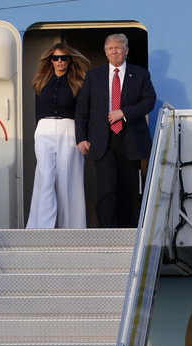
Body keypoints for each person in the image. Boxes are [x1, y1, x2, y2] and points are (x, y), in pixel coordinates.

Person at [76, 33, 156, 228]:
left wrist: (124, 112)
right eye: (110, 48)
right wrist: (81, 138)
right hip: (102, 141)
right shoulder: (94, 75)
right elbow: (82, 109)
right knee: (106, 188)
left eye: (118, 47)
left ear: (126, 51)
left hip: (130, 140)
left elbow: (149, 101)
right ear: (105, 52)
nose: (114, 51)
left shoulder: (140, 74)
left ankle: (129, 232)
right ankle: (106, 232)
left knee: (129, 189)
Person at [26, 43, 90, 229]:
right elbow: (38, 112)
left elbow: (82, 112)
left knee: (69, 178)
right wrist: (38, 131)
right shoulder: (41, 81)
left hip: (69, 128)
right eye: (56, 58)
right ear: (50, 60)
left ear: (70, 60)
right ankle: (42, 227)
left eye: (64, 58)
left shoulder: (79, 81)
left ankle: (73, 228)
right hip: (44, 128)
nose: (60, 61)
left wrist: (82, 137)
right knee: (45, 176)